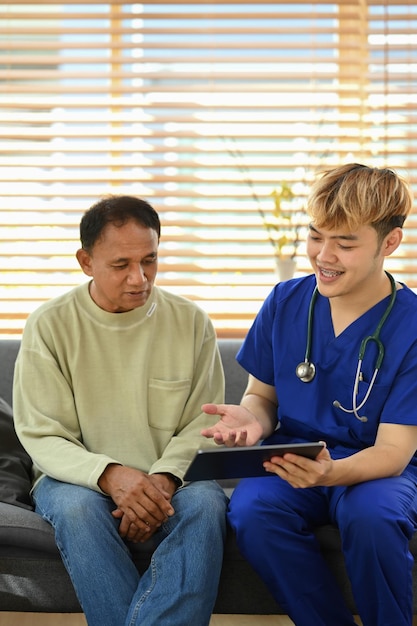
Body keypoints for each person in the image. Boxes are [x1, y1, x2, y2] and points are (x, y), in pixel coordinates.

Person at [201, 163, 417, 626]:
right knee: (252, 509)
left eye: (345, 242)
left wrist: (331, 474)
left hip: (377, 468)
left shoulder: (412, 325)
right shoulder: (286, 300)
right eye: (317, 236)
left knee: (372, 520)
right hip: (296, 456)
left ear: (390, 242)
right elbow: (263, 396)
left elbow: (395, 452)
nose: (324, 255)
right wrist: (254, 420)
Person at [13, 195, 228, 626]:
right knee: (76, 511)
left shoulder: (191, 322)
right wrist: (113, 476)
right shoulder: (49, 324)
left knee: (207, 505)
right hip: (78, 481)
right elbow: (43, 433)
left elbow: (203, 422)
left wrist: (161, 482)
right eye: (121, 265)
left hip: (173, 479)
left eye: (149, 260)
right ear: (86, 261)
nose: (139, 278)